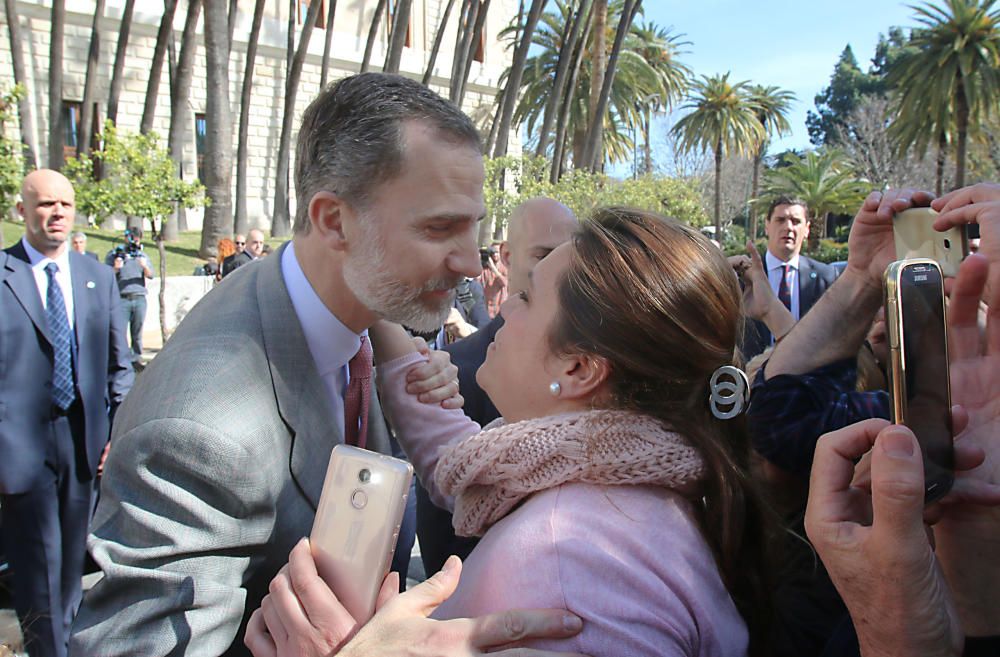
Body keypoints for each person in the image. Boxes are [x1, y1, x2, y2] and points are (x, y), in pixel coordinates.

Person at [70, 73, 582, 657]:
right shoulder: (199, 435)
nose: (472, 263)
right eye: (440, 228)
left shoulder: (366, 313)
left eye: (475, 226)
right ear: (334, 221)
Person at [249, 208, 774, 657]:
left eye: (525, 296)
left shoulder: (574, 566)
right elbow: (460, 459)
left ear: (579, 370)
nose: (502, 310)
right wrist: (374, 314)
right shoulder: (623, 473)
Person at [0, 169, 133, 657]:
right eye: (43, 204)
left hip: (86, 447)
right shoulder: (3, 273)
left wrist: (116, 434)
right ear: (22, 211)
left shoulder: (96, 276)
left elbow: (122, 365)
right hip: (19, 449)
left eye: (64, 204)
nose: (56, 213)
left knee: (73, 566)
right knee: (37, 568)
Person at [416, 197, 578, 577]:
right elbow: (443, 526)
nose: (557, 269)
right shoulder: (458, 369)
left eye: (569, 255)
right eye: (543, 254)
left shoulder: (592, 363)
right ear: (506, 256)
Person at [742, 196, 838, 358]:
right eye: (780, 220)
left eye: (795, 221)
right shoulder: (744, 275)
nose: (788, 227)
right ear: (767, 226)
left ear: (807, 229)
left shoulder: (826, 277)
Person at [105, 226, 153, 364]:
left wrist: (144, 266)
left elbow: (151, 275)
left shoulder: (142, 256)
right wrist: (116, 268)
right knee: (120, 331)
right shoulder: (115, 255)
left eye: (137, 240)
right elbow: (106, 275)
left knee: (137, 332)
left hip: (139, 297)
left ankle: (136, 359)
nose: (134, 242)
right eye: (131, 238)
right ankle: (121, 360)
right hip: (122, 298)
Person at [478, 241, 507, 318]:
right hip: (487, 308)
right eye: (492, 252)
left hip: (499, 309)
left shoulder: (505, 266)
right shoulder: (485, 268)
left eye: (497, 252)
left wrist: (493, 268)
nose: (495, 254)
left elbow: (504, 283)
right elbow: (477, 282)